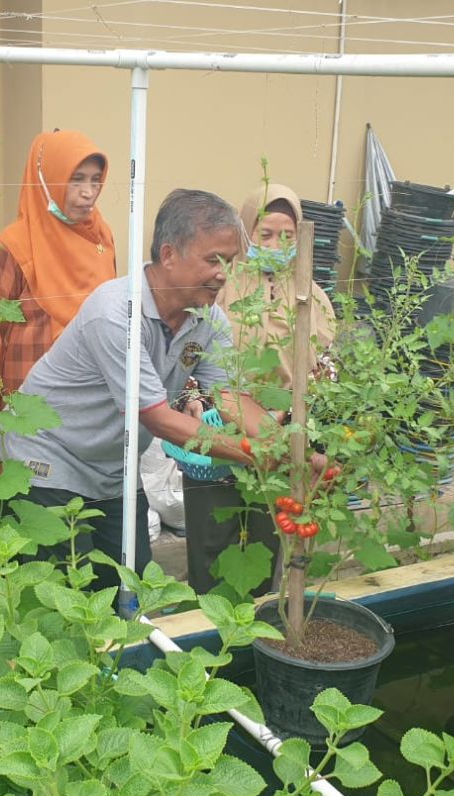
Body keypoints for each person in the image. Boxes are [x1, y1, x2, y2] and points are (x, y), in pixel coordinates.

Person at [0, 189, 322, 591]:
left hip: (113, 468)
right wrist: (255, 455)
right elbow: (155, 416)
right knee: (54, 589)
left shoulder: (208, 318)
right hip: (47, 456)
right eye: (213, 260)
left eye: (231, 261)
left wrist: (292, 451)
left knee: (131, 588)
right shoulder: (117, 312)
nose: (224, 273)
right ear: (168, 255)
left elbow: (230, 399)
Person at [183, 184, 338, 595]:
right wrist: (195, 399)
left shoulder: (312, 296)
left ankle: (251, 626)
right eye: (265, 234)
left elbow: (326, 368)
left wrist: (287, 413)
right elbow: (189, 353)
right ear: (245, 231)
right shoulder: (221, 285)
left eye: (288, 237)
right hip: (222, 427)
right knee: (214, 537)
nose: (277, 245)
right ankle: (205, 623)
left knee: (267, 534)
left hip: (282, 433)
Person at [0, 130, 115, 456]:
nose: (88, 193)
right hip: (29, 399)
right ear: (47, 179)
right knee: (28, 495)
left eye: (95, 180)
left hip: (91, 399)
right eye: (76, 180)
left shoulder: (101, 237)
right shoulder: (14, 244)